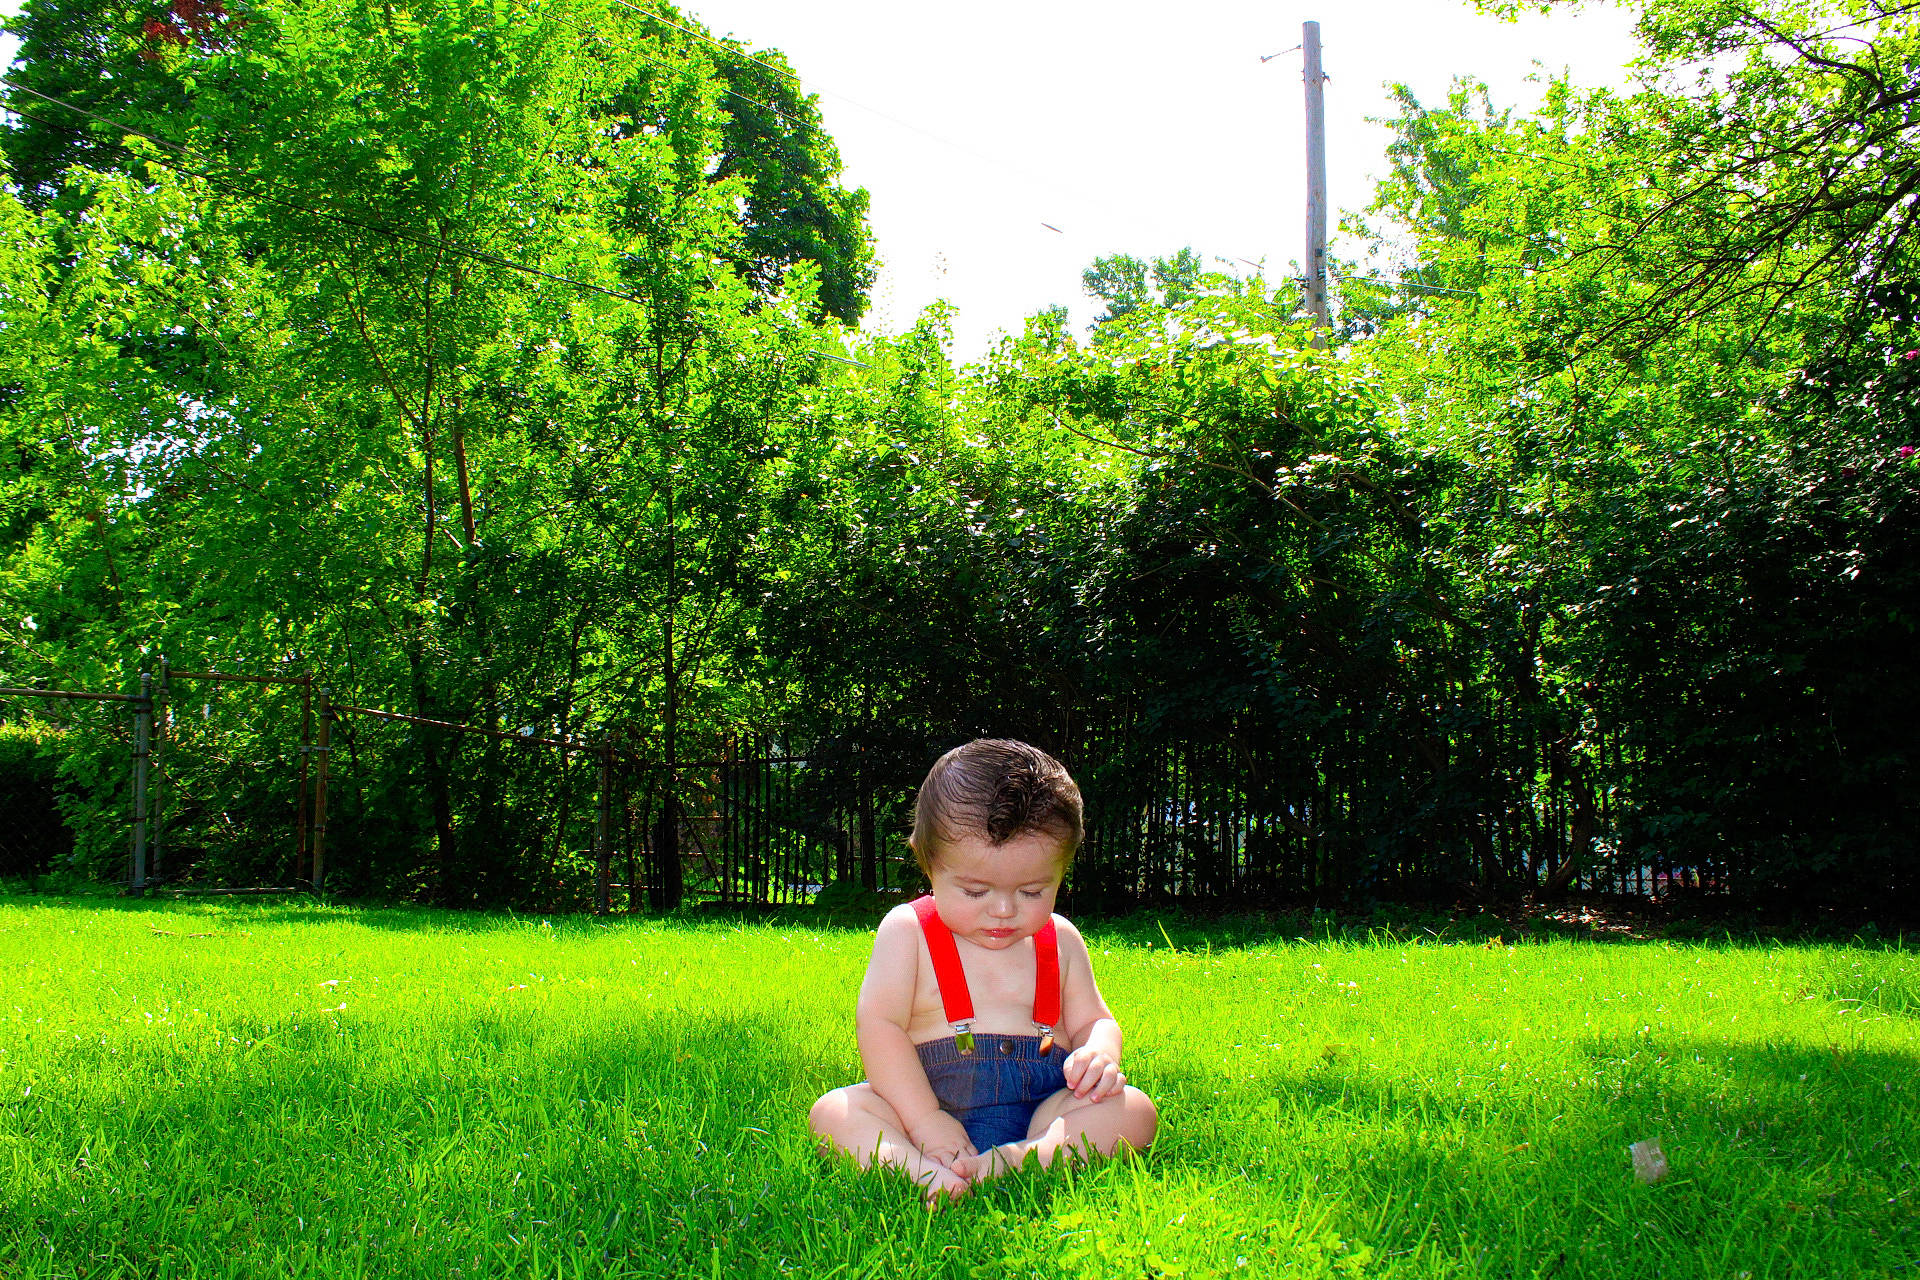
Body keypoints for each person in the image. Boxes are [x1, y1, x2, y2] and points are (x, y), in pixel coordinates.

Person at [808, 739, 1158, 1204]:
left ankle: (1024, 1158)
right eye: (975, 891)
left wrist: (1099, 1053)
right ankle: (920, 1170)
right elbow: (880, 1025)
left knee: (1133, 1109)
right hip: (925, 1105)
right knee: (835, 1111)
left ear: (1061, 871)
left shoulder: (1061, 939)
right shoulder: (909, 931)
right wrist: (925, 1120)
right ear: (928, 863)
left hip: (1043, 1110)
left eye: (1032, 891)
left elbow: (1095, 1019)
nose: (1004, 910)